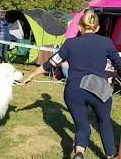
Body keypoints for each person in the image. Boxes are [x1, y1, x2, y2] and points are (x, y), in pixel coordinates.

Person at [23, 10, 121, 159]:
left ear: (80, 27)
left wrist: (31, 75)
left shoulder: (70, 43)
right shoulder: (106, 42)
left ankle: (79, 153)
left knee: (82, 127)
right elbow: (119, 65)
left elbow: (51, 64)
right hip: (98, 89)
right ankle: (110, 156)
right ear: (98, 28)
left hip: (74, 91)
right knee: (105, 123)